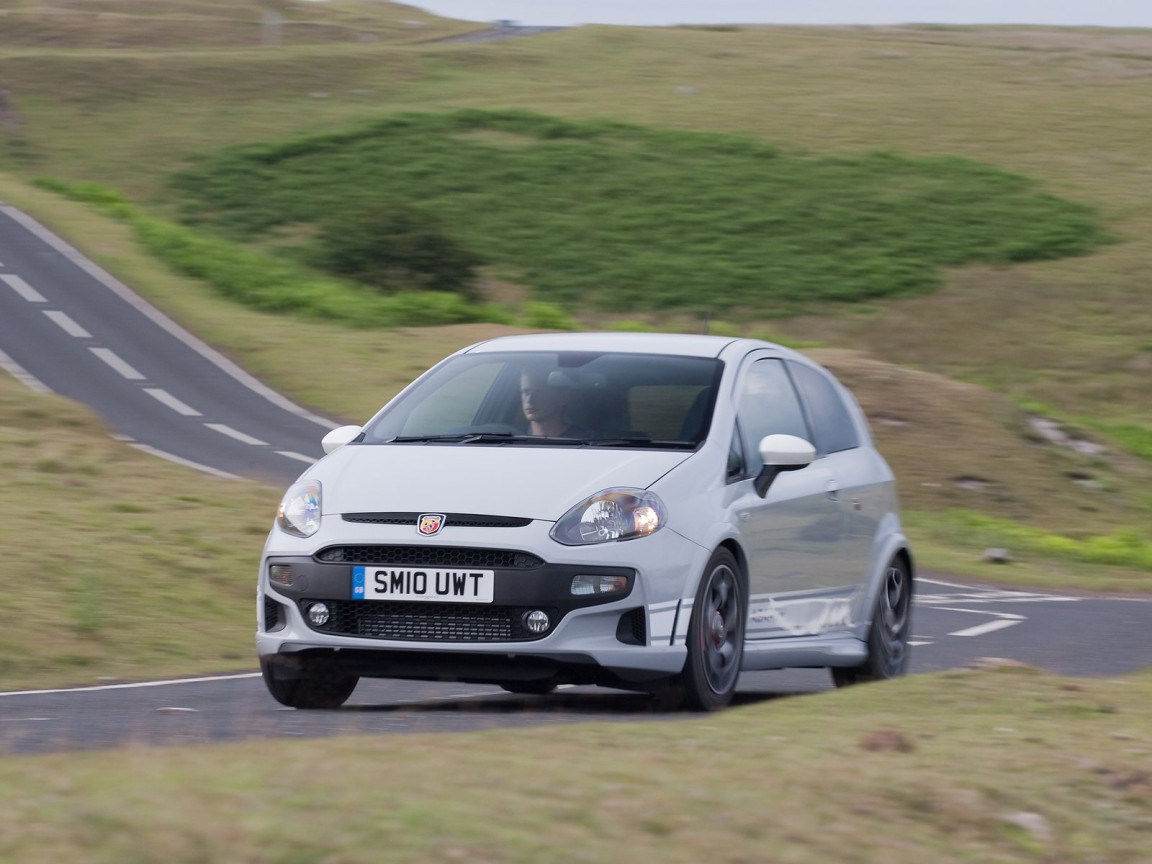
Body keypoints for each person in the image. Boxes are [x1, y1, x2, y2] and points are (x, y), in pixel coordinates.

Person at [520, 368, 583, 437]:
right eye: (525, 392)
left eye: (539, 392)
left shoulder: (587, 443)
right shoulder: (513, 439)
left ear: (563, 398)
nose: (530, 399)